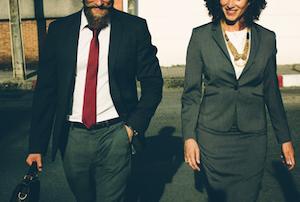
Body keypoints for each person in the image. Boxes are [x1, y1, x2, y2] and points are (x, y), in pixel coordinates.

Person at [26, 0, 163, 201]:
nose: (100, 2)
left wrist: (132, 127)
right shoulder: (59, 30)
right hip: (73, 137)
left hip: (116, 134)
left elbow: (153, 83)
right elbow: (46, 91)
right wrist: (36, 146)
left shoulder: (134, 28)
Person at [181, 0, 296, 201]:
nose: (230, 3)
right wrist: (189, 137)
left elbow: (271, 93)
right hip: (213, 138)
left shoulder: (267, 39)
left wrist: (284, 138)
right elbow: (191, 94)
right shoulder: (200, 36)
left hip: (252, 140)